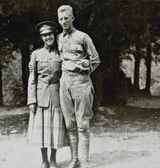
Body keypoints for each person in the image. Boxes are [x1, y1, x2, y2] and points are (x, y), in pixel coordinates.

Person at [57, 5, 100, 168]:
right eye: (60, 19)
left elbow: (95, 59)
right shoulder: (59, 38)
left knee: (82, 123)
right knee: (69, 123)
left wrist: (85, 67)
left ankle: (85, 161)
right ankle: (74, 159)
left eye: (66, 18)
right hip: (65, 82)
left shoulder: (83, 37)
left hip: (81, 82)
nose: (63, 22)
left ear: (72, 18)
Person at [27, 20, 67, 168]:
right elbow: (32, 78)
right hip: (40, 95)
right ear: (41, 37)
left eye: (49, 34)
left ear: (54, 35)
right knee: (42, 130)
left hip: (57, 95)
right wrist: (31, 100)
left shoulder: (61, 54)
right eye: (44, 35)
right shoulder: (36, 54)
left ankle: (53, 159)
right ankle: (44, 160)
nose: (47, 38)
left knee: (55, 129)